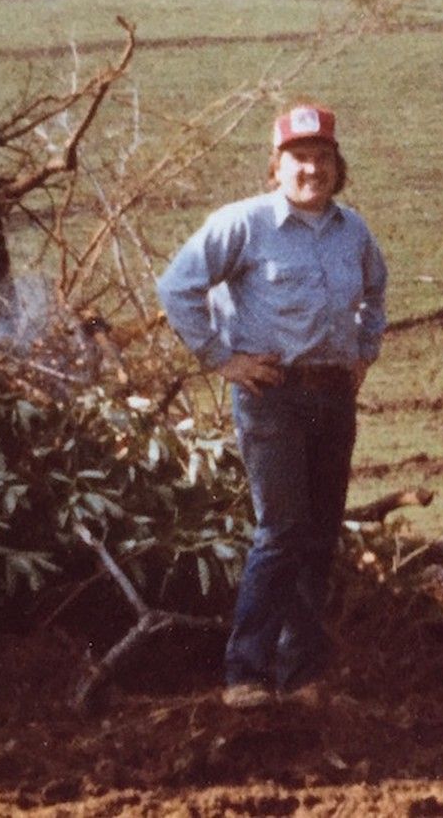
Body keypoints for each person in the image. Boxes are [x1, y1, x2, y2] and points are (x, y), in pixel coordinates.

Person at [156, 103, 387, 708]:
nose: (312, 169)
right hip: (271, 397)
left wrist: (363, 354)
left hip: (334, 396)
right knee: (282, 530)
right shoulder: (244, 224)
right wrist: (221, 359)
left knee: (319, 535)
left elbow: (377, 294)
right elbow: (176, 287)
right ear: (276, 166)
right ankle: (245, 672)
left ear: (338, 167)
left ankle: (303, 674)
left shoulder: (353, 231)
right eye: (299, 158)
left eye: (323, 158)